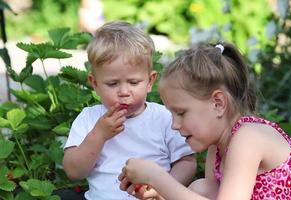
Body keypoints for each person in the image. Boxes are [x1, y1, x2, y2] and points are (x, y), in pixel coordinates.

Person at [118, 43, 291, 199]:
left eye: (181, 113)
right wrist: (161, 194)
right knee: (204, 188)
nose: (174, 125)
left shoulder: (248, 138)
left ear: (218, 103)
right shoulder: (218, 148)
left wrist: (157, 177)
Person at [63, 21, 196, 200]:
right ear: (94, 83)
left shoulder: (163, 117)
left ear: (150, 81)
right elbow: (73, 171)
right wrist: (98, 135)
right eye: (112, 83)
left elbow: (186, 162)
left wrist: (165, 189)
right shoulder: (89, 118)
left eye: (134, 82)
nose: (124, 92)